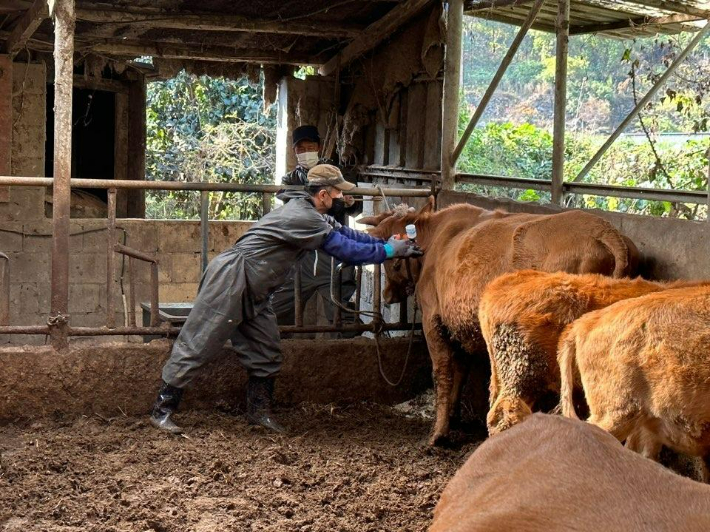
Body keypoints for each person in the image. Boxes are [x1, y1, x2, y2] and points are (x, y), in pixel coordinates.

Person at [150, 164, 423, 435]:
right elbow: (346, 250)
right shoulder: (303, 217)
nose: (342, 198)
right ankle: (162, 411)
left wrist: (388, 242)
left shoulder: (314, 214)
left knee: (266, 349)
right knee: (200, 341)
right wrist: (389, 250)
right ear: (324, 195)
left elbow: (348, 235)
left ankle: (259, 413)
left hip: (257, 285)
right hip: (232, 278)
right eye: (338, 192)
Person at [271, 125, 360, 333]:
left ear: (319, 147)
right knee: (275, 311)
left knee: (343, 318)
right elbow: (297, 206)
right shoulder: (290, 179)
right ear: (294, 151)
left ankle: (351, 356)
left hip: (333, 258)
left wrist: (346, 202)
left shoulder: (335, 173)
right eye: (300, 148)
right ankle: (276, 351)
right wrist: (336, 203)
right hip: (301, 258)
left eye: (310, 146)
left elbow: (355, 206)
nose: (305, 152)